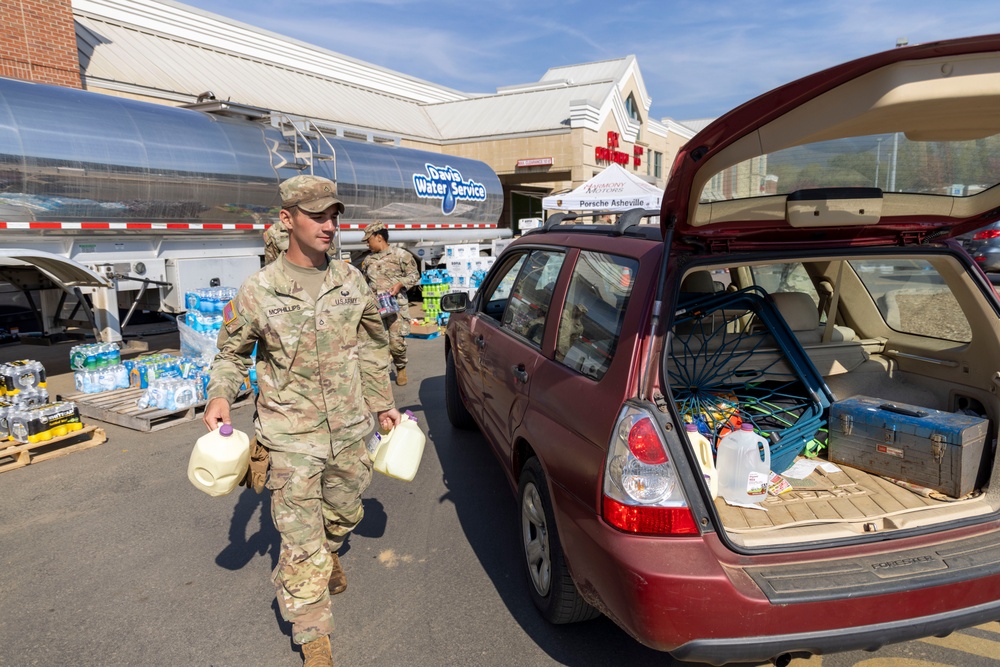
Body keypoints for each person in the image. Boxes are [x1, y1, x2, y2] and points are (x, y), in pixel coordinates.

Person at [203, 174, 401, 667]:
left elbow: (375, 349)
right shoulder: (259, 291)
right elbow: (230, 354)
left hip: (351, 431)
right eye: (317, 216)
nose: (330, 225)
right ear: (287, 220)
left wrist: (382, 405)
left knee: (344, 512)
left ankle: (333, 545)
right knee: (299, 540)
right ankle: (313, 633)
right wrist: (221, 394)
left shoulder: (352, 281)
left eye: (334, 215)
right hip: (289, 436)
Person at [360, 220, 420, 386]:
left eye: (368, 239)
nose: (367, 243)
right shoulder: (368, 260)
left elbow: (414, 276)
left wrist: (400, 284)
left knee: (396, 343)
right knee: (378, 343)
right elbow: (364, 282)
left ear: (379, 237)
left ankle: (400, 367)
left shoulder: (401, 255)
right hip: (375, 308)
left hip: (395, 308)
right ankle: (382, 375)